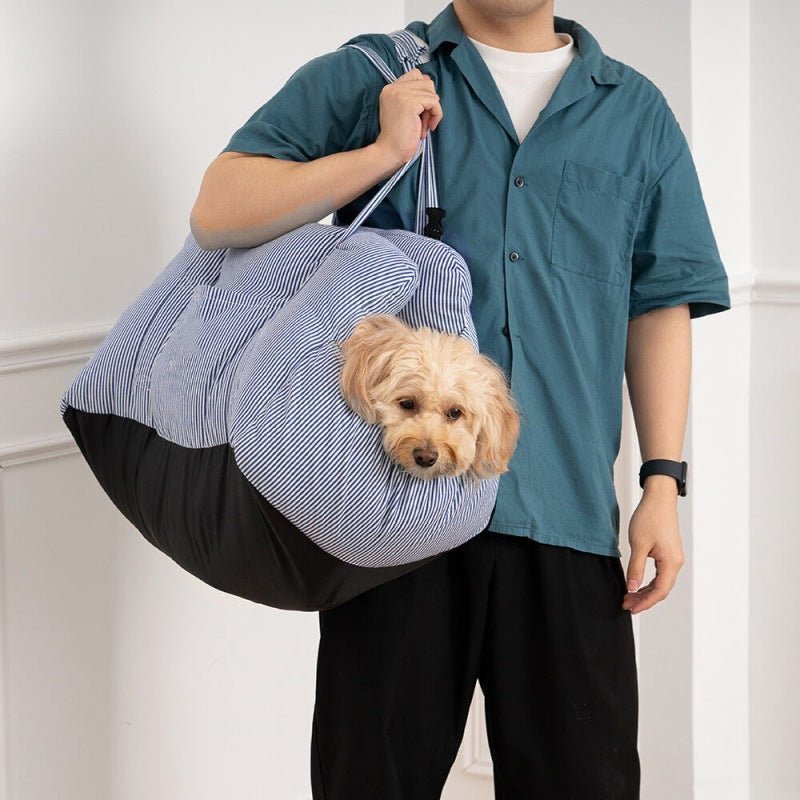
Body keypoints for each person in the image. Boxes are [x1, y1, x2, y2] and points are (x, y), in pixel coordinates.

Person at [191, 1, 731, 797]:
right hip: (388, 522)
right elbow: (219, 210)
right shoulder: (376, 73)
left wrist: (662, 482)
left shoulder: (635, 111)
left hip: (565, 515)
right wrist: (379, 151)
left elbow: (659, 305)